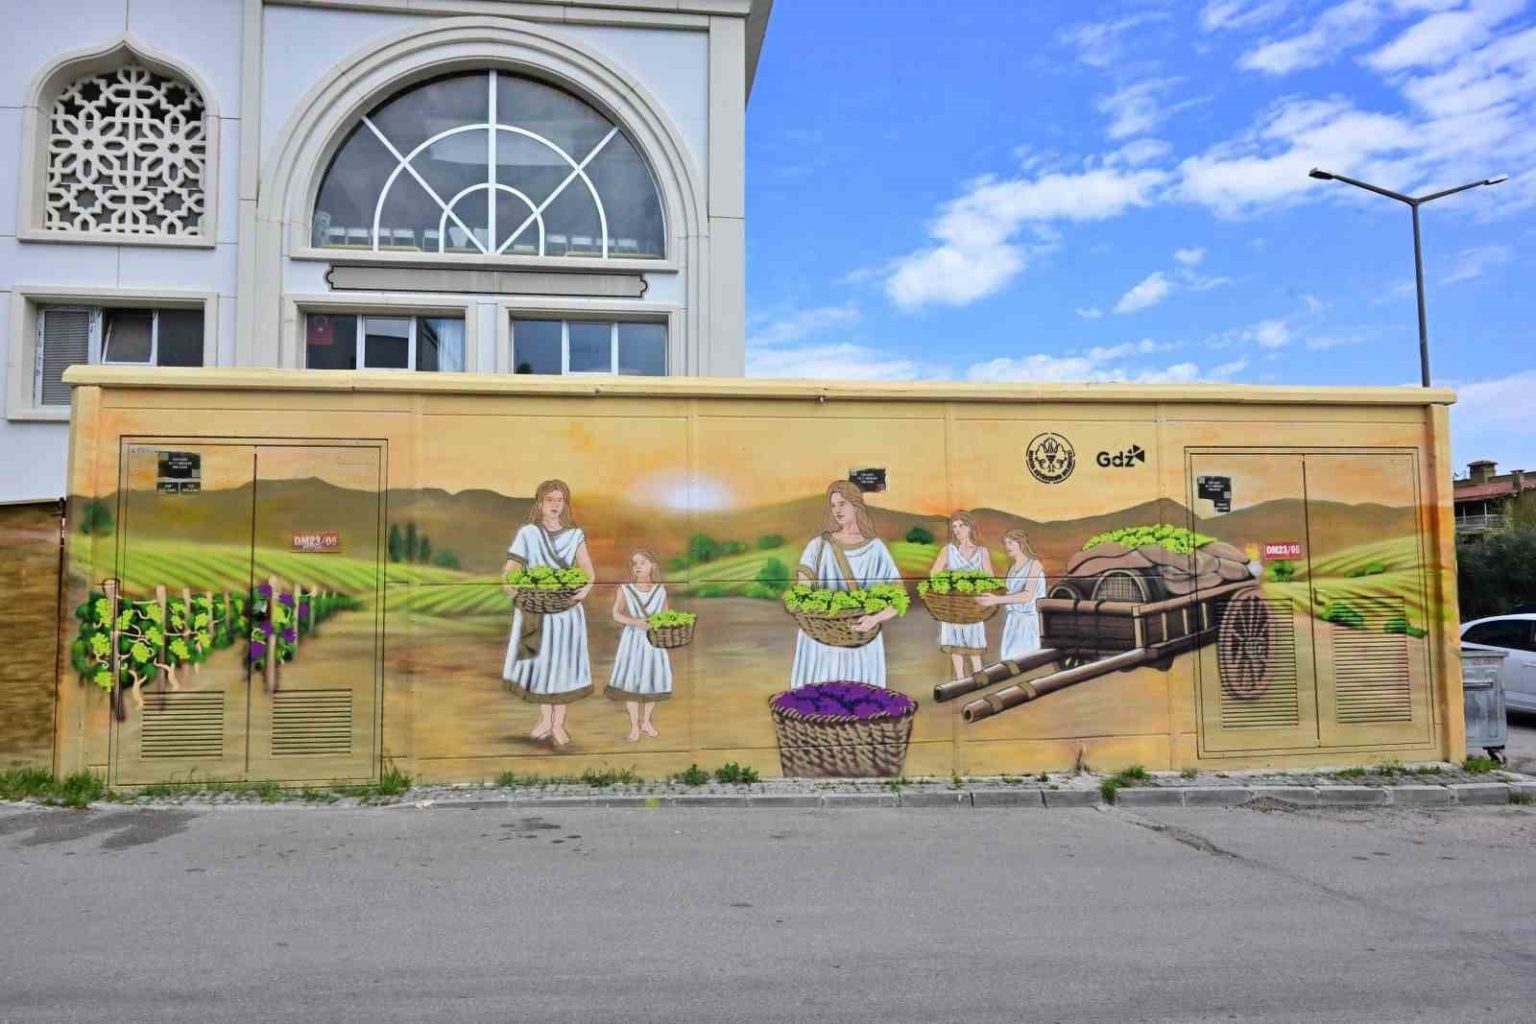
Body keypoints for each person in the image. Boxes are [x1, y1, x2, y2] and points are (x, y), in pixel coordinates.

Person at [501, 479, 594, 747]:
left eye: (559, 500)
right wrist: (515, 591)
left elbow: (588, 572)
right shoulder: (528, 534)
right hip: (536, 609)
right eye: (549, 500)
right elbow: (510, 571)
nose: (555, 505)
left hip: (565, 611)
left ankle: (558, 724)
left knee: (562, 667)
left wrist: (582, 591)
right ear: (540, 504)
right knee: (542, 667)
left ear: (565, 504)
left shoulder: (575, 535)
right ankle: (545, 721)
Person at [789, 481, 902, 689]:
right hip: (820, 641)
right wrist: (815, 610)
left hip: (862, 641)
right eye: (833, 505)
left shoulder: (876, 549)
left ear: (856, 505)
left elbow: (898, 600)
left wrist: (874, 619)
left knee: (860, 698)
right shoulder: (818, 546)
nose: (837, 510)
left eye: (842, 504)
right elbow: (802, 593)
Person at [606, 548, 673, 741]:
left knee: (652, 679)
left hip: (654, 641)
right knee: (632, 682)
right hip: (633, 640)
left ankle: (647, 722)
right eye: (635, 564)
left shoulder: (660, 591)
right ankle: (634, 725)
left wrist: (663, 623)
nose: (638, 567)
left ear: (653, 566)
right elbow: (616, 613)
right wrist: (635, 622)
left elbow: (665, 614)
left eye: (643, 563)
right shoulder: (625, 590)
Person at [930, 510, 995, 681]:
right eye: (954, 527)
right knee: (956, 645)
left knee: (974, 644)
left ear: (970, 527)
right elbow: (934, 574)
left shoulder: (982, 552)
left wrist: (977, 587)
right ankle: (960, 680)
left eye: (961, 526)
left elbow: (990, 578)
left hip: (973, 607)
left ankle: (978, 678)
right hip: (955, 606)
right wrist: (949, 586)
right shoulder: (948, 550)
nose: (957, 530)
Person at [977, 529, 1046, 661]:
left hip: (1029, 623)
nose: (1007, 547)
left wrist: (996, 599)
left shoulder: (1034, 565)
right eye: (1005, 543)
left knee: (1026, 661)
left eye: (1010, 543)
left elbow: (1027, 596)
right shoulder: (1012, 568)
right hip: (1012, 622)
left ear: (1021, 544)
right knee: (1009, 661)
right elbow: (1009, 594)